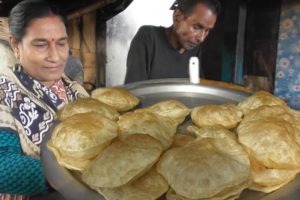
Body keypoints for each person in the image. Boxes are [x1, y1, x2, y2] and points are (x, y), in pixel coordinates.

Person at [0, 0, 88, 199]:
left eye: (61, 43)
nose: (55, 57)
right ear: (16, 44)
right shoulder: (4, 91)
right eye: (41, 45)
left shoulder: (75, 91)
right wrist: (74, 177)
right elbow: (2, 164)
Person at [124, 0, 222, 84]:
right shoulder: (148, 38)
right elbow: (133, 94)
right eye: (196, 27)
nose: (201, 38)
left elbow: (197, 91)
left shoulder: (195, 50)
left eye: (207, 31)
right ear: (178, 16)